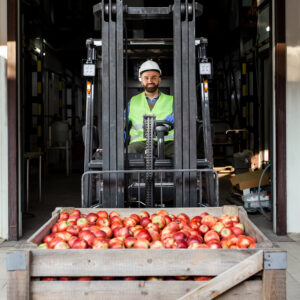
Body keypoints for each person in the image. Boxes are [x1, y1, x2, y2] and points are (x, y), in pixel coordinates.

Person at [125, 60, 174, 158]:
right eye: (146, 78)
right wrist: (120, 132)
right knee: (129, 151)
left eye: (154, 77)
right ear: (141, 80)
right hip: (140, 143)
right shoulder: (133, 101)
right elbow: (122, 121)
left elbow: (183, 118)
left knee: (182, 152)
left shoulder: (172, 100)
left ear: (159, 79)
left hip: (167, 143)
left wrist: (176, 119)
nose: (150, 81)